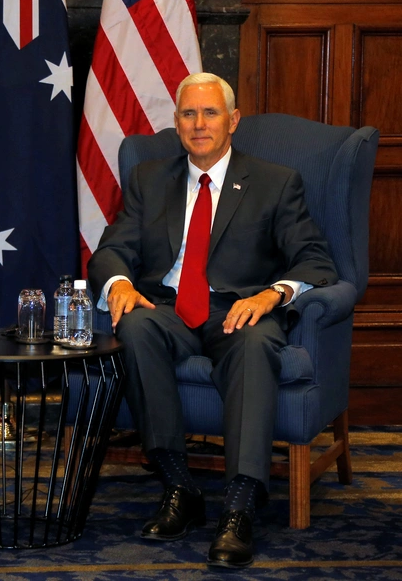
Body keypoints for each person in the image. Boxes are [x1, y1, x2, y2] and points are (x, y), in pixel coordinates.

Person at [88, 72, 337, 568]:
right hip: (168, 309)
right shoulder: (149, 179)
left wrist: (273, 294)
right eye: (188, 113)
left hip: (240, 310)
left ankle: (238, 508)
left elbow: (315, 260)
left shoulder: (275, 181)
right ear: (176, 122)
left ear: (232, 121)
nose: (199, 124)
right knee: (135, 326)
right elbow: (111, 251)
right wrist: (119, 285)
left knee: (253, 344)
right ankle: (179, 488)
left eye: (210, 113)